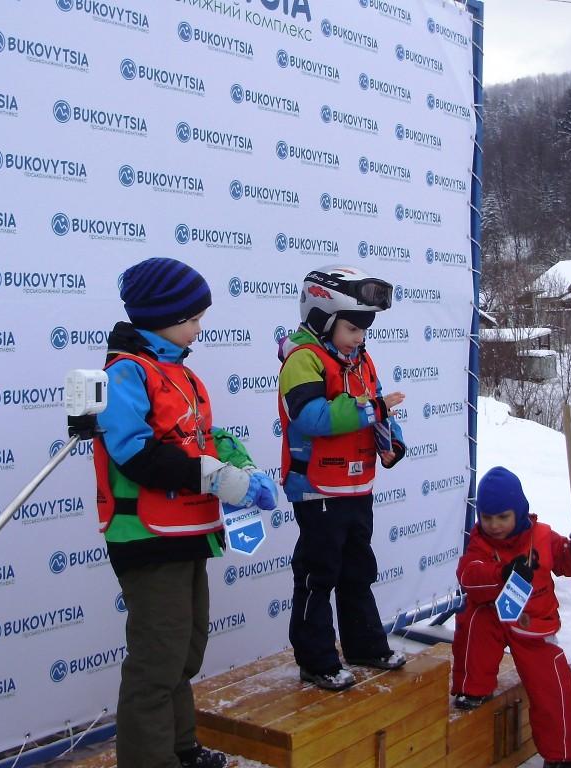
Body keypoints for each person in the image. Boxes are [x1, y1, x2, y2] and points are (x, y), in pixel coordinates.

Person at [93, 257, 277, 768]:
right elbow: (135, 452)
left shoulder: (180, 373)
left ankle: (180, 747)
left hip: (187, 531)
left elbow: (197, 437)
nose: (199, 328)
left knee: (186, 650)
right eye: (192, 318)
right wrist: (212, 476)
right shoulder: (126, 372)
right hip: (146, 536)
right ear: (161, 316)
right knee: (158, 658)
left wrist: (236, 460)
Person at [278, 266, 407, 690]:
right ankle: (316, 659)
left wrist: (392, 442)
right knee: (319, 574)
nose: (359, 338)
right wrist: (373, 408)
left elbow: (380, 405)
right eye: (352, 328)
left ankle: (364, 644)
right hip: (317, 488)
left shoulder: (361, 359)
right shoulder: (302, 359)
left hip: (357, 485)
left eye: (364, 330)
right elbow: (311, 417)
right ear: (322, 319)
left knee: (358, 569)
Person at [451, 467, 571, 768]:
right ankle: (472, 687)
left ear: (519, 511)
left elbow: (567, 563)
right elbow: (469, 576)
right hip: (495, 615)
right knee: (473, 622)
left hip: (533, 626)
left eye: (503, 517)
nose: (494, 525)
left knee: (555, 690)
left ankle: (561, 757)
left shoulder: (541, 536)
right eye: (486, 517)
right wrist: (501, 574)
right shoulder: (480, 542)